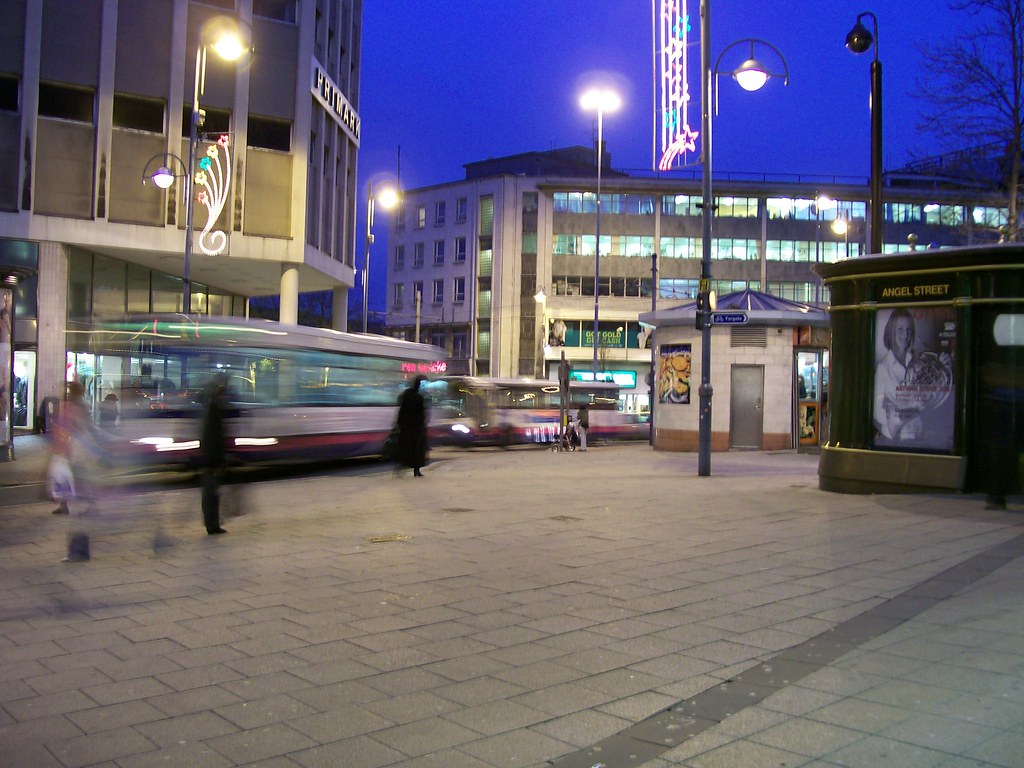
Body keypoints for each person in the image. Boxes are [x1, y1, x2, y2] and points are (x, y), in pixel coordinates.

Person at [873, 308, 921, 442]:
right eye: (900, 329)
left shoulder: (917, 362)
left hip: (918, 435)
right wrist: (900, 418)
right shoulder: (883, 369)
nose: (905, 335)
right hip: (894, 439)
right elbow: (876, 409)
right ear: (891, 331)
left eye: (908, 329)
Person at [200, 374, 231, 534]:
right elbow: (215, 435)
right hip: (211, 457)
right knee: (211, 492)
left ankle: (212, 523)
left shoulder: (210, 403)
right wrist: (219, 459)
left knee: (211, 492)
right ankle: (212, 524)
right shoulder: (214, 406)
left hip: (209, 456)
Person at [393, 375, 428, 476]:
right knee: (417, 449)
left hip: (406, 426)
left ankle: (400, 468)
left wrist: (398, 423)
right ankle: (416, 470)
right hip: (416, 427)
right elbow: (421, 414)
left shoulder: (406, 395)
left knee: (405, 448)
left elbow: (401, 410)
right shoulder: (419, 398)